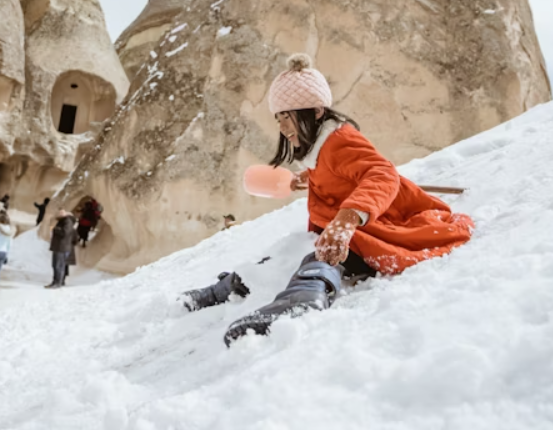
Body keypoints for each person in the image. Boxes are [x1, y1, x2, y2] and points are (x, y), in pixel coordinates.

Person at [187, 54, 473, 345]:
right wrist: (309, 179)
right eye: (278, 118)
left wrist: (347, 219)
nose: (283, 127)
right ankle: (223, 289)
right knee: (286, 253)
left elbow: (382, 173)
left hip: (387, 226)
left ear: (316, 112)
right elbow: (339, 175)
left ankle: (303, 299)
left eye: (288, 116)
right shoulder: (321, 148)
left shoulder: (340, 140)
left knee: (322, 256)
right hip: (349, 228)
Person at [46, 210, 78, 289]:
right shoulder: (63, 221)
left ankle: (58, 282)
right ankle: (55, 281)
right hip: (58, 247)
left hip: (62, 248)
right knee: (55, 265)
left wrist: (55, 229)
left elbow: (65, 233)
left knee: (59, 266)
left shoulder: (68, 222)